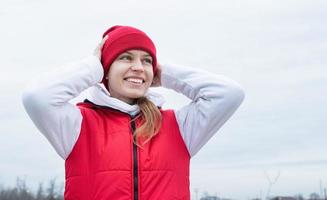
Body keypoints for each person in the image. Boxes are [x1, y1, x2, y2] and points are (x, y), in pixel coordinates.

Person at [22, 25, 245, 200]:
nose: (138, 66)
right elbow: (37, 96)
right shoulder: (78, 124)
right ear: (104, 70)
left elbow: (229, 93)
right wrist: (92, 68)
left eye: (146, 61)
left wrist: (167, 74)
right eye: (126, 57)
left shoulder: (179, 126)